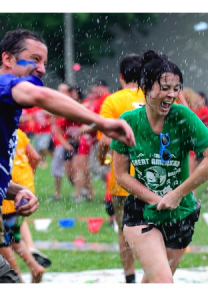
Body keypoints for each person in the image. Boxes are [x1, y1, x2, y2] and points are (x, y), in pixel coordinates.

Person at [0, 28, 135, 282]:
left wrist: (15, 191)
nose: (41, 69)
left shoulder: (8, 103)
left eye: (44, 63)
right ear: (7, 59)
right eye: (35, 59)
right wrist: (102, 123)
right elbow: (39, 95)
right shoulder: (3, 84)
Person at [111, 50, 208, 283]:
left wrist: (176, 195)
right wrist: (154, 198)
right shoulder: (129, 121)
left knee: (154, 282)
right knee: (163, 282)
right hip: (141, 212)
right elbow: (121, 175)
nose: (171, 94)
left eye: (176, 88)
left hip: (180, 213)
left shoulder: (182, 116)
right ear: (145, 87)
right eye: (164, 88)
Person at [97, 53, 146, 283]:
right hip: (157, 179)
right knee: (156, 229)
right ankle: (158, 275)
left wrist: (123, 142)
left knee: (125, 232)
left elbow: (104, 140)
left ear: (121, 76)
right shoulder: (155, 96)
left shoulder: (112, 101)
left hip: (123, 180)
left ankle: (130, 280)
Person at [0, 129, 45, 283]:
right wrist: (28, 177)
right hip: (24, 190)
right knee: (13, 236)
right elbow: (35, 156)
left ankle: (17, 279)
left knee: (3, 240)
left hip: (7, 192)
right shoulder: (16, 131)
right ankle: (33, 264)